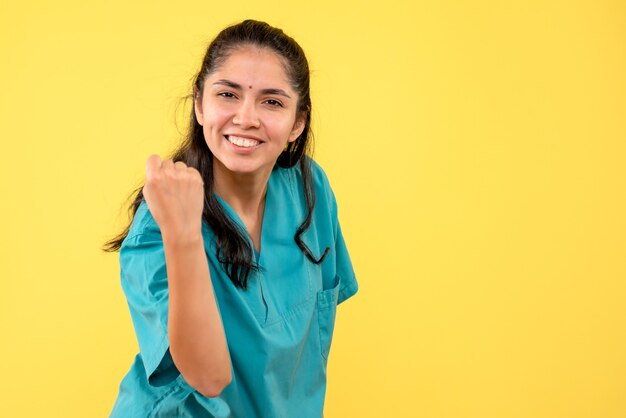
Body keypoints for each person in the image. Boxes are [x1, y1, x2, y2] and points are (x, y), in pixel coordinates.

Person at [105, 19, 358, 417]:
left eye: (272, 102)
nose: (246, 118)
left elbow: (309, 348)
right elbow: (208, 377)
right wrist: (184, 234)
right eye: (228, 94)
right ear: (199, 105)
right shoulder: (158, 224)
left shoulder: (310, 191)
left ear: (298, 122)